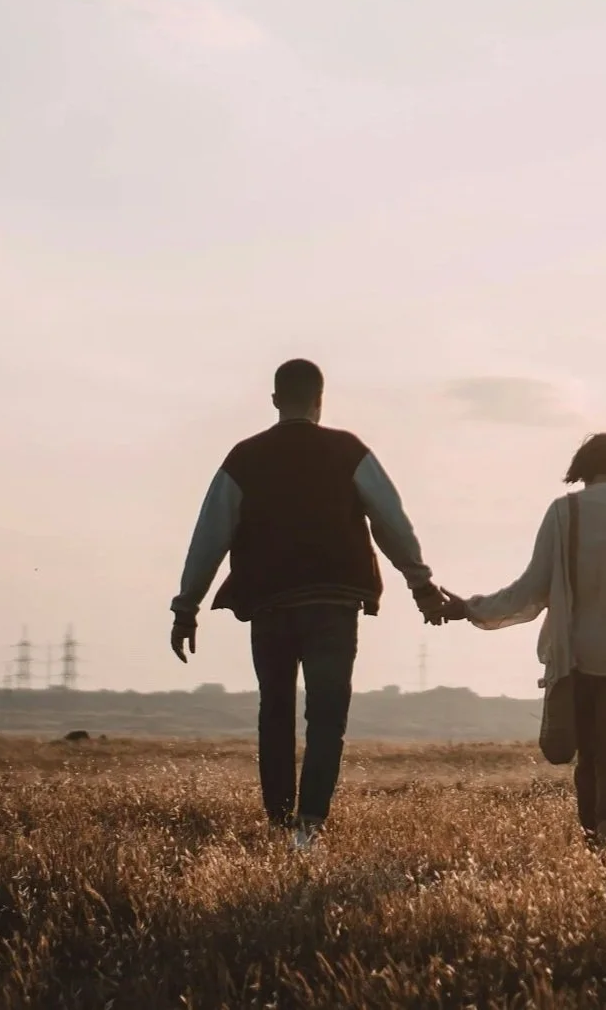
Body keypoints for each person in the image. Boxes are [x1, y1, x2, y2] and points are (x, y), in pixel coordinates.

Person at [170, 359, 450, 849]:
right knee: (326, 715)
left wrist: (186, 606)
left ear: (276, 399)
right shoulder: (348, 451)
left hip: (270, 606)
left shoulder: (244, 458)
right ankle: (310, 825)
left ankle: (279, 822)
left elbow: (209, 537)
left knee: (274, 710)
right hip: (334, 605)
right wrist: (421, 585)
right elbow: (391, 522)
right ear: (321, 399)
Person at [445, 433, 606, 848]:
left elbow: (530, 590)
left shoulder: (563, 513)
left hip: (577, 659)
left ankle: (593, 837)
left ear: (582, 467)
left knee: (588, 757)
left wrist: (473, 608)